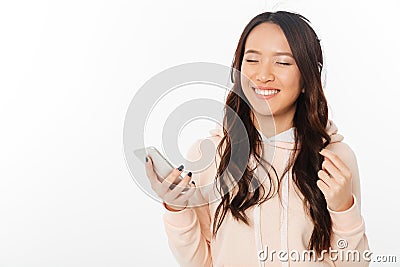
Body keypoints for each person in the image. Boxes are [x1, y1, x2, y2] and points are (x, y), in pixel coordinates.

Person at [145, 11, 369, 266]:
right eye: (252, 60)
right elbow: (203, 261)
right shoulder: (209, 155)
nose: (263, 75)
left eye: (283, 63)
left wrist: (343, 209)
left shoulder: (335, 159)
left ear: (307, 78)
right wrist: (177, 207)